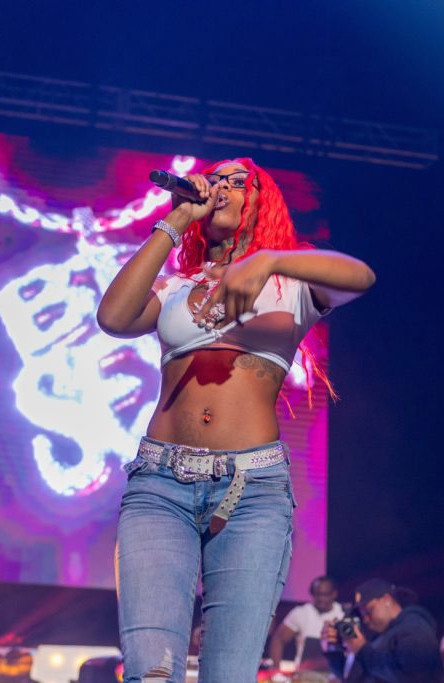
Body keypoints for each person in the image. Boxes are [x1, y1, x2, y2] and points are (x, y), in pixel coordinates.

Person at [98, 158, 375, 683]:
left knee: (228, 676)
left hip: (251, 491)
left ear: (260, 201)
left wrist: (271, 259)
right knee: (149, 673)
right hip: (161, 485)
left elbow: (361, 277)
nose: (220, 187)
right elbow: (113, 318)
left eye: (235, 182)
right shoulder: (177, 285)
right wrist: (176, 220)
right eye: (215, 179)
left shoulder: (292, 281)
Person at [321, 578, 441, 683]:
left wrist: (362, 651)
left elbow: (415, 677)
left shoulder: (414, 629)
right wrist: (332, 651)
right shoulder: (379, 637)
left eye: (368, 610)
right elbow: (352, 677)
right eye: (362, 614)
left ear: (387, 599)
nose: (365, 619)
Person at [269, 575, 344, 669]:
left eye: (325, 594)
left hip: (334, 676)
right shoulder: (301, 613)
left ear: (334, 594)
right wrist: (276, 669)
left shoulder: (343, 615)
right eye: (318, 594)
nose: (321, 599)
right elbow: (278, 639)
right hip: (304, 675)